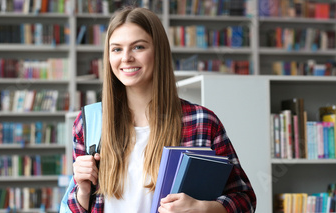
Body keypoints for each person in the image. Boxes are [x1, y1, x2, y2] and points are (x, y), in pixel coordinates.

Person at [67, 7, 256, 213]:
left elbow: (244, 199)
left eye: (138, 47)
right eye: (117, 49)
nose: (126, 57)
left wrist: (203, 208)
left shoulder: (201, 121)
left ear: (159, 51)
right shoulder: (90, 122)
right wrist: (83, 192)